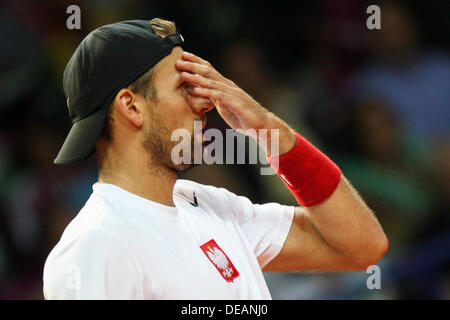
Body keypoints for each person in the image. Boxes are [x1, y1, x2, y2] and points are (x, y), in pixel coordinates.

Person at [43, 18, 388, 299]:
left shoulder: (210, 205)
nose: (206, 103)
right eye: (184, 86)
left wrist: (270, 129)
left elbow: (362, 245)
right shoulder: (95, 245)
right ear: (131, 106)